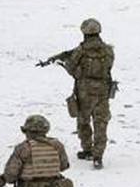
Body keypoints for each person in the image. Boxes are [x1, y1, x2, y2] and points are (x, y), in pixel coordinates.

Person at [43, 18, 116, 169]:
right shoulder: (108, 50)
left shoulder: (81, 51)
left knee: (83, 121)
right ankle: (98, 157)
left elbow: (71, 67)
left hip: (85, 91)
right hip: (103, 90)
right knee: (101, 123)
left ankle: (87, 149)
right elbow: (109, 67)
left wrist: (64, 64)